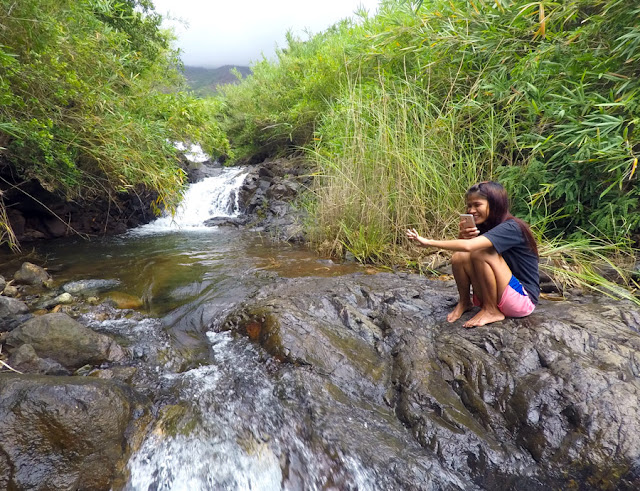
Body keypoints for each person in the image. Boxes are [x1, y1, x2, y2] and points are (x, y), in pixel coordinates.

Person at [406, 181, 539, 328]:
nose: (471, 210)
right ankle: (465, 302)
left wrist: (428, 242)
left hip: (521, 299)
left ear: (494, 204)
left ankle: (491, 310)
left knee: (480, 253)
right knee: (459, 256)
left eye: (477, 205)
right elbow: (463, 252)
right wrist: (462, 235)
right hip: (496, 293)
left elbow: (470, 247)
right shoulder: (483, 227)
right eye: (469, 206)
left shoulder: (512, 227)